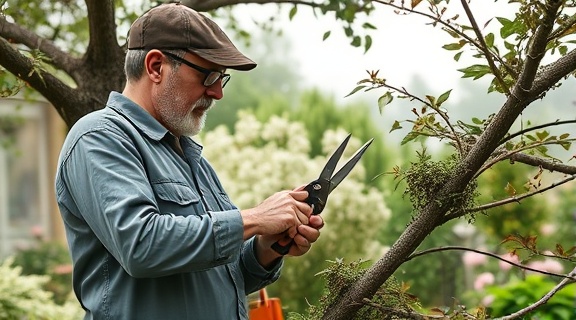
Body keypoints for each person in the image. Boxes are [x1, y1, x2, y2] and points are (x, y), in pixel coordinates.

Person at [54, 2, 324, 319]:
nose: (218, 93)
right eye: (209, 76)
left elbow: (223, 279)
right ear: (155, 67)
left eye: (221, 79)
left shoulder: (189, 154)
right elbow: (142, 245)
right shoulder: (99, 137)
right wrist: (253, 219)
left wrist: (266, 246)